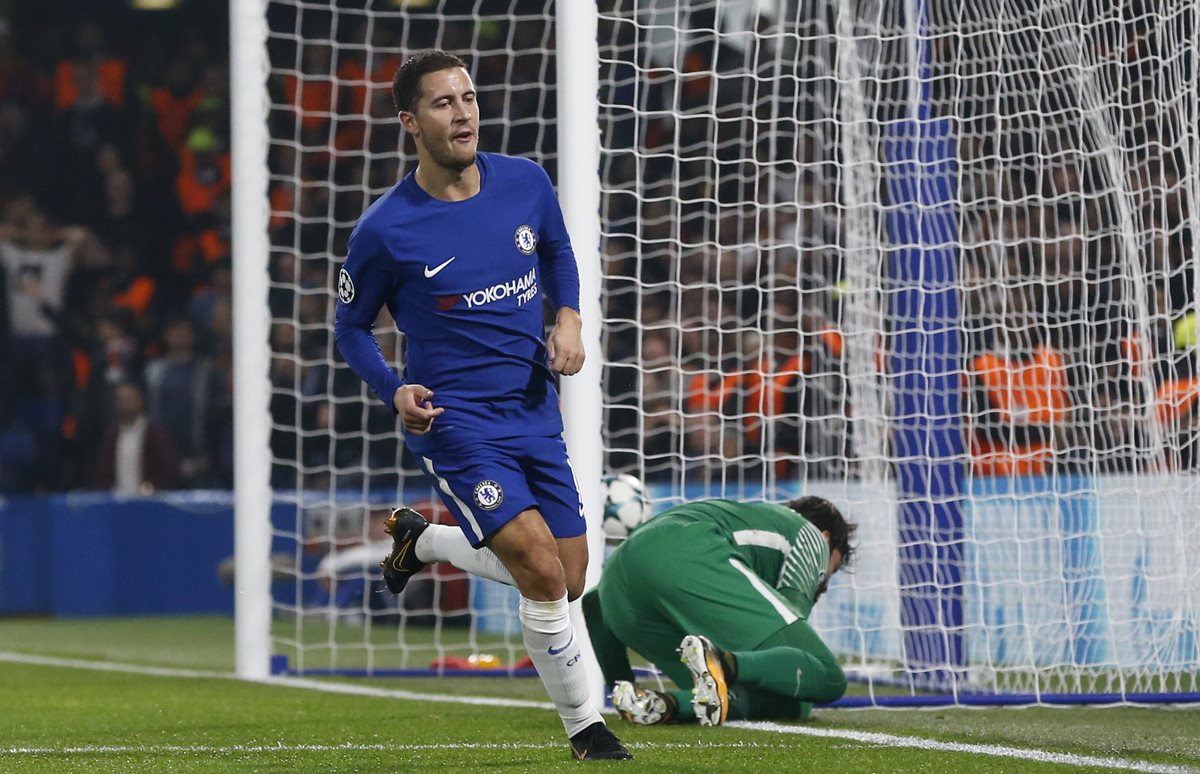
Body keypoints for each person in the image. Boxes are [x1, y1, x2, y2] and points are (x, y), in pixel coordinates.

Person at [333, 50, 630, 761]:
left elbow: (558, 253)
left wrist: (569, 319)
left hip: (532, 407)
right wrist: (393, 389)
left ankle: (425, 541)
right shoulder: (385, 229)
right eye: (442, 103)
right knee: (542, 573)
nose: (463, 112)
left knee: (570, 572)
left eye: (467, 97)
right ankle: (585, 727)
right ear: (410, 122)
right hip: (456, 422)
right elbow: (349, 325)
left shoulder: (524, 182)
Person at [581, 495, 855, 727]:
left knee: (726, 690)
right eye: (834, 565)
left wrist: (620, 683)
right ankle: (722, 662)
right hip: (686, 553)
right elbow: (796, 659)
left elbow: (593, 604)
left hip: (615, 590)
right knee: (826, 678)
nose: (826, 583)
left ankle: (665, 705)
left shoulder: (749, 527)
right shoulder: (811, 537)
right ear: (826, 537)